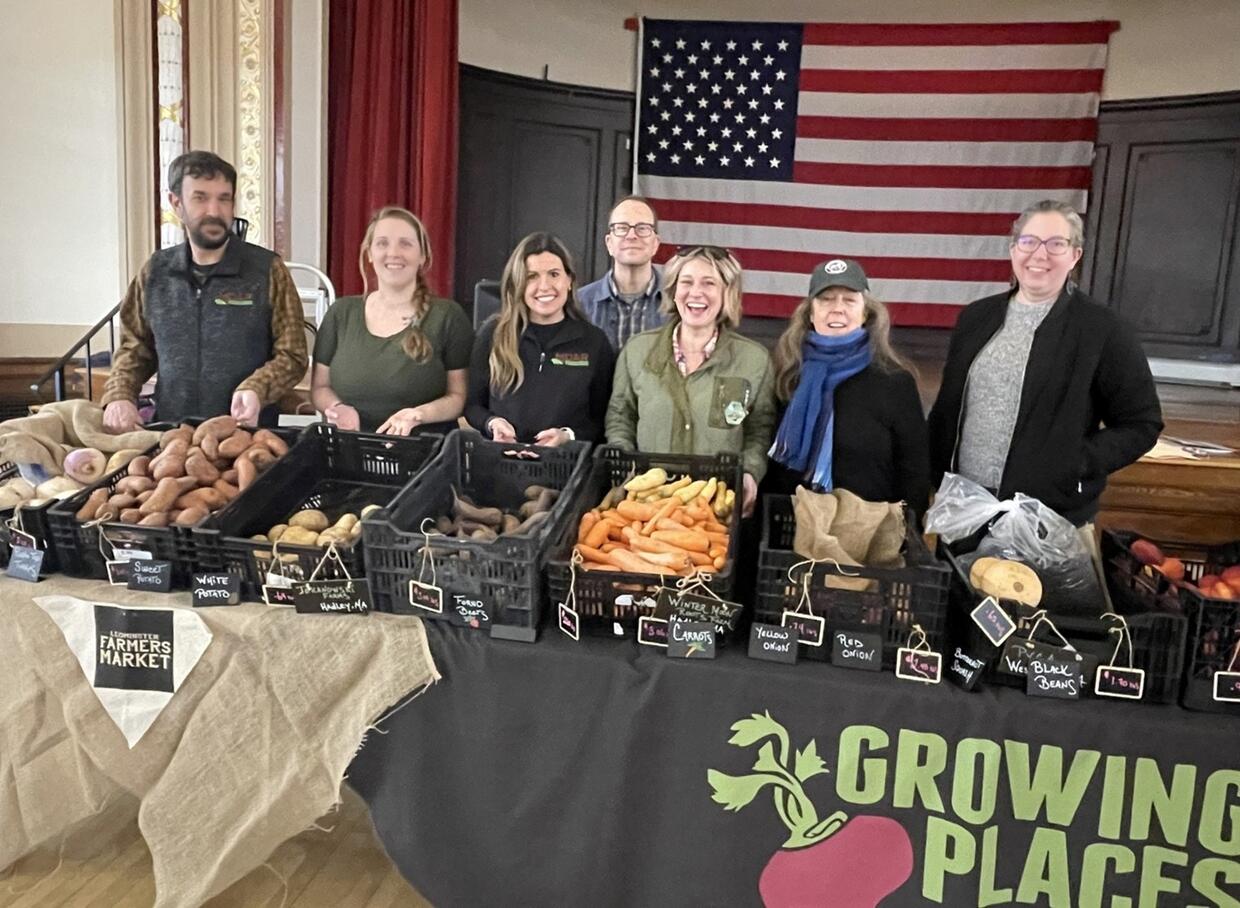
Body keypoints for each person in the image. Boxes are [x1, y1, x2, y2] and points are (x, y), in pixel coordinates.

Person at [928, 199, 1163, 529]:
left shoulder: (1103, 329)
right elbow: (947, 409)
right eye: (1029, 241)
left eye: (1056, 244)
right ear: (1013, 249)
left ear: (1075, 255)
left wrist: (1074, 463)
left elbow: (1142, 424)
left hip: (1048, 518)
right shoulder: (976, 317)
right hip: (965, 509)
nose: (1040, 255)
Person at [102, 151, 308, 430]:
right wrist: (120, 395)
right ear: (176, 203)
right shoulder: (155, 271)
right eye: (200, 198)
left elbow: (292, 355)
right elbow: (134, 347)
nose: (214, 211)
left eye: (224, 199)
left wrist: (258, 388)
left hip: (246, 438)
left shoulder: (268, 270)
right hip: (171, 436)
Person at [606, 245, 776, 517]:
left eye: (709, 283)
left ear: (726, 294)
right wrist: (624, 466)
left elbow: (760, 430)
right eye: (686, 282)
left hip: (716, 511)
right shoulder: (637, 352)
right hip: (646, 505)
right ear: (673, 291)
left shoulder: (754, 360)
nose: (696, 293)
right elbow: (620, 416)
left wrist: (750, 472)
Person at [766, 259, 929, 515]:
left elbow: (914, 472)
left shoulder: (895, 382)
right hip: (793, 531)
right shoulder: (786, 376)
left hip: (869, 537)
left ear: (865, 313)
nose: (837, 309)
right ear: (810, 313)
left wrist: (908, 532)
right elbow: (771, 467)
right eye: (827, 299)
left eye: (849, 300)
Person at [310, 206, 472, 435]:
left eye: (405, 243)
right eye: (382, 243)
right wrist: (337, 408)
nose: (393, 253)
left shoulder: (448, 317)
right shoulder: (340, 313)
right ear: (369, 253)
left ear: (422, 255)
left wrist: (419, 415)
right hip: (348, 453)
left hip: (426, 457)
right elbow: (320, 387)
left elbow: (458, 397)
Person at [466, 233, 614, 445]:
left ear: (569, 281)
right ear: (518, 284)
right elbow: (473, 406)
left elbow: (601, 420)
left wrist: (567, 436)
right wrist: (492, 423)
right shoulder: (493, 334)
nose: (544, 286)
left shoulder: (594, 341)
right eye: (531, 276)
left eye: (554, 274)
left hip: (565, 467)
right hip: (502, 463)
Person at [577, 196, 667, 350]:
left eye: (642, 228)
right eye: (622, 228)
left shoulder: (678, 303)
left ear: (655, 244)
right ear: (609, 243)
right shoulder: (579, 304)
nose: (632, 236)